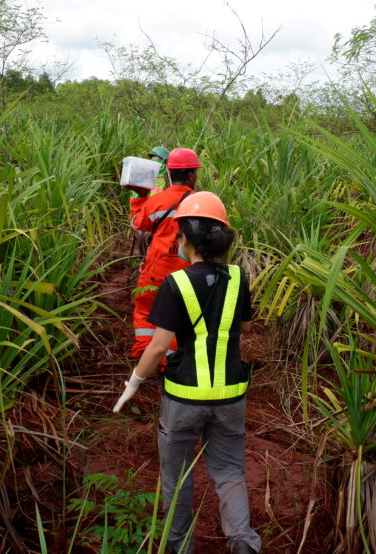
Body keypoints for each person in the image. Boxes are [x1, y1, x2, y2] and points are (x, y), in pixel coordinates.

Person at [113, 192, 261, 554]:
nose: (176, 241)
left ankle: (180, 548)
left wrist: (133, 384)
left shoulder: (175, 284)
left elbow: (159, 347)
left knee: (176, 480)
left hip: (184, 397)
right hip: (230, 395)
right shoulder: (239, 278)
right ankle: (243, 543)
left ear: (189, 239)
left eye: (179, 235)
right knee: (228, 473)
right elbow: (241, 329)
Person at [124, 147, 202, 360]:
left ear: (169, 173)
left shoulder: (156, 200)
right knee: (179, 315)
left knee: (145, 313)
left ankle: (145, 358)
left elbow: (138, 227)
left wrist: (139, 198)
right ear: (191, 175)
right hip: (188, 273)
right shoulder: (200, 202)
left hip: (155, 273)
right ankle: (170, 361)